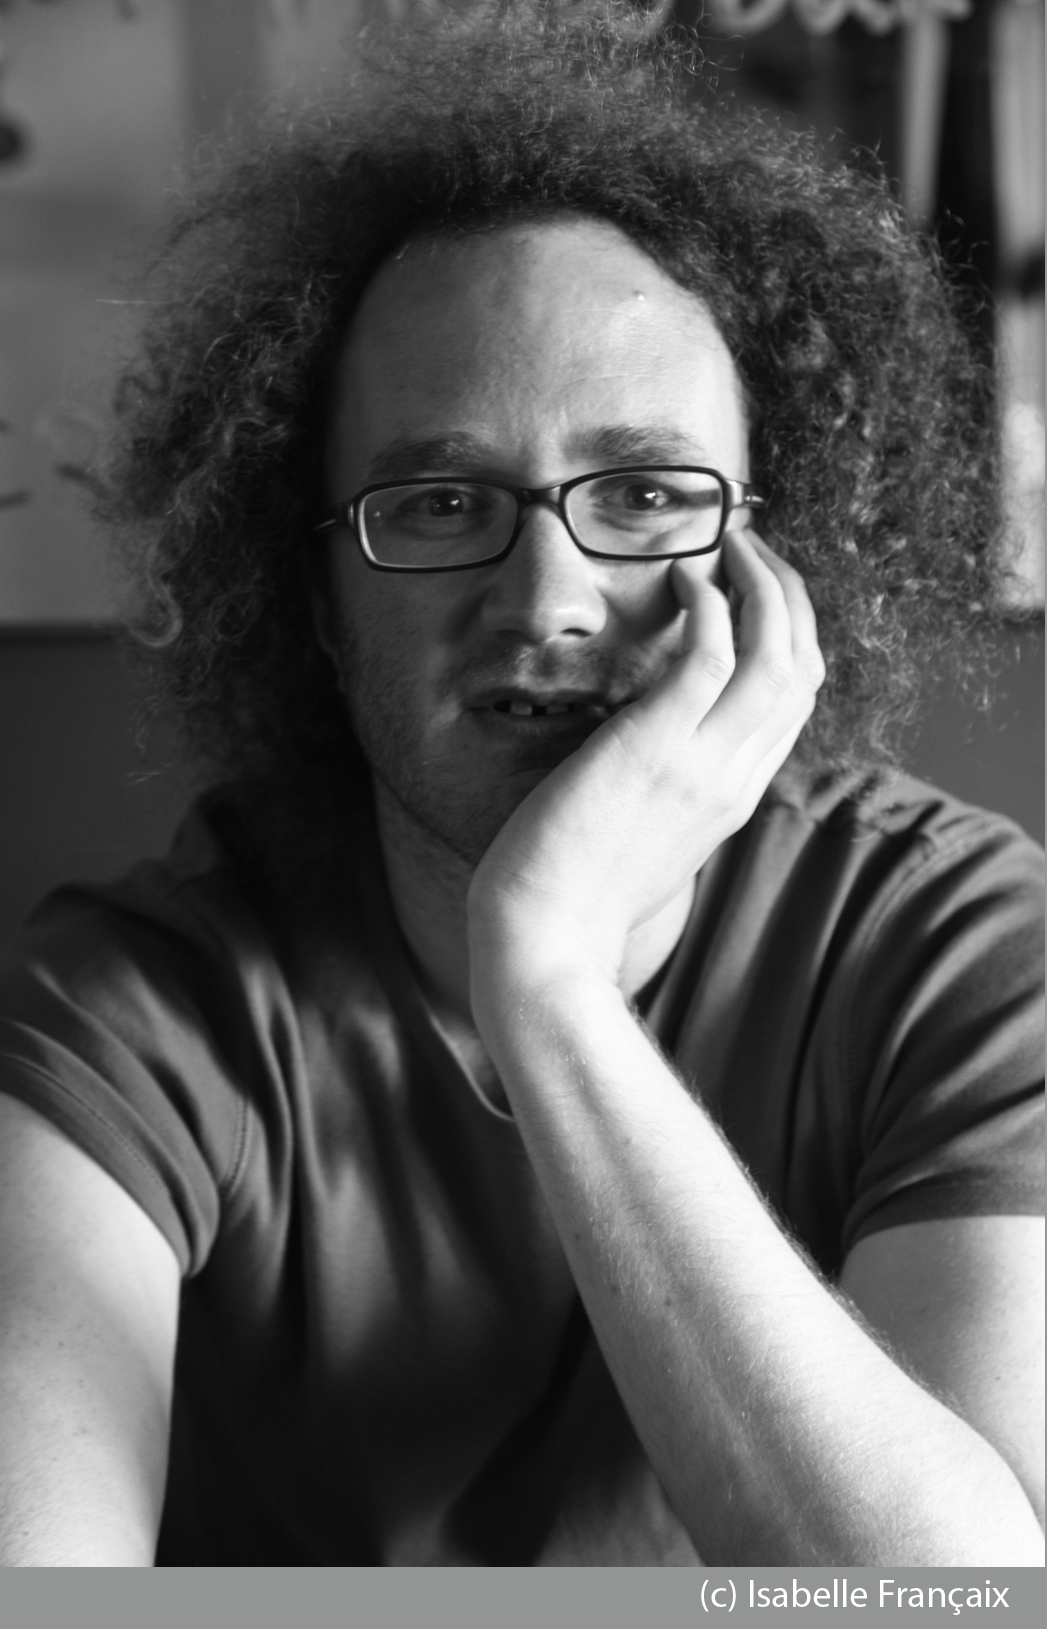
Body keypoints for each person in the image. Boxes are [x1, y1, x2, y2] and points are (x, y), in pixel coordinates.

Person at [0, 3, 1042, 1568]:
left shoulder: (955, 942)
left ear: (780, 557)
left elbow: (958, 1600)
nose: (550, 597)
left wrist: (544, 974)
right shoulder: (133, 1011)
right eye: (437, 501)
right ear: (315, 595)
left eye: (645, 491)